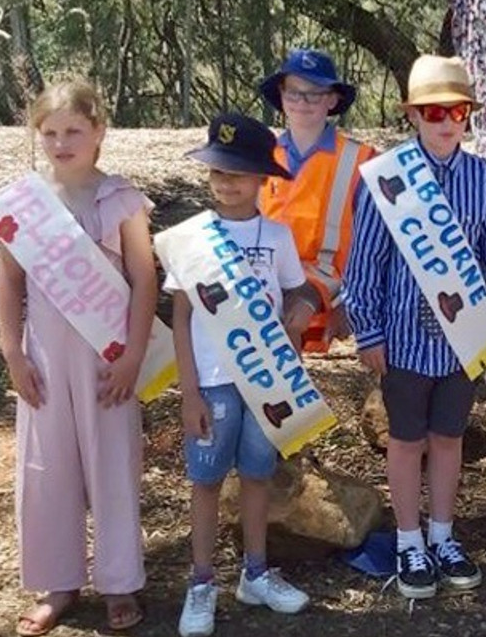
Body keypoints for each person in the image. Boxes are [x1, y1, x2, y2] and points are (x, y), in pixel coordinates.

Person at [345, 55, 486, 599]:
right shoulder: (385, 179)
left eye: (457, 111)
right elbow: (364, 261)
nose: (447, 122)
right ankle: (408, 539)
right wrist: (367, 331)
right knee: (404, 440)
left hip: (462, 342)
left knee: (448, 438)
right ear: (413, 116)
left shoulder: (482, 177)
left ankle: (443, 535)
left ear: (469, 116)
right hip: (402, 340)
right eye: (434, 111)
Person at [0, 80, 152, 635]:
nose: (62, 142)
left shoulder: (122, 200)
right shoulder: (25, 205)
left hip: (108, 358)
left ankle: (118, 582)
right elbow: (9, 285)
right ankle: (57, 582)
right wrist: (13, 353)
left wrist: (134, 354)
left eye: (74, 131)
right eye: (51, 132)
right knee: (47, 468)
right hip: (44, 359)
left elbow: (144, 279)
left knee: (113, 466)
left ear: (99, 131)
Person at [167, 114, 317, 637]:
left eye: (239, 173)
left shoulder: (276, 236)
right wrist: (188, 392)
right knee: (206, 482)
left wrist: (301, 313)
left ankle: (255, 573)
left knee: (257, 475)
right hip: (212, 379)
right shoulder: (190, 239)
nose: (226, 182)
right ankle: (202, 582)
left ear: (262, 179)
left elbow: (296, 294)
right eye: (217, 172)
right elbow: (181, 318)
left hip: (267, 383)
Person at [257, 48, 377, 353]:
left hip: (324, 289)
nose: (302, 102)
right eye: (294, 93)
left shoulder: (361, 160)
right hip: (262, 286)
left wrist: (351, 304)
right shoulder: (259, 155)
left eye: (314, 94)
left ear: (332, 99)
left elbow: (376, 244)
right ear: (281, 96)